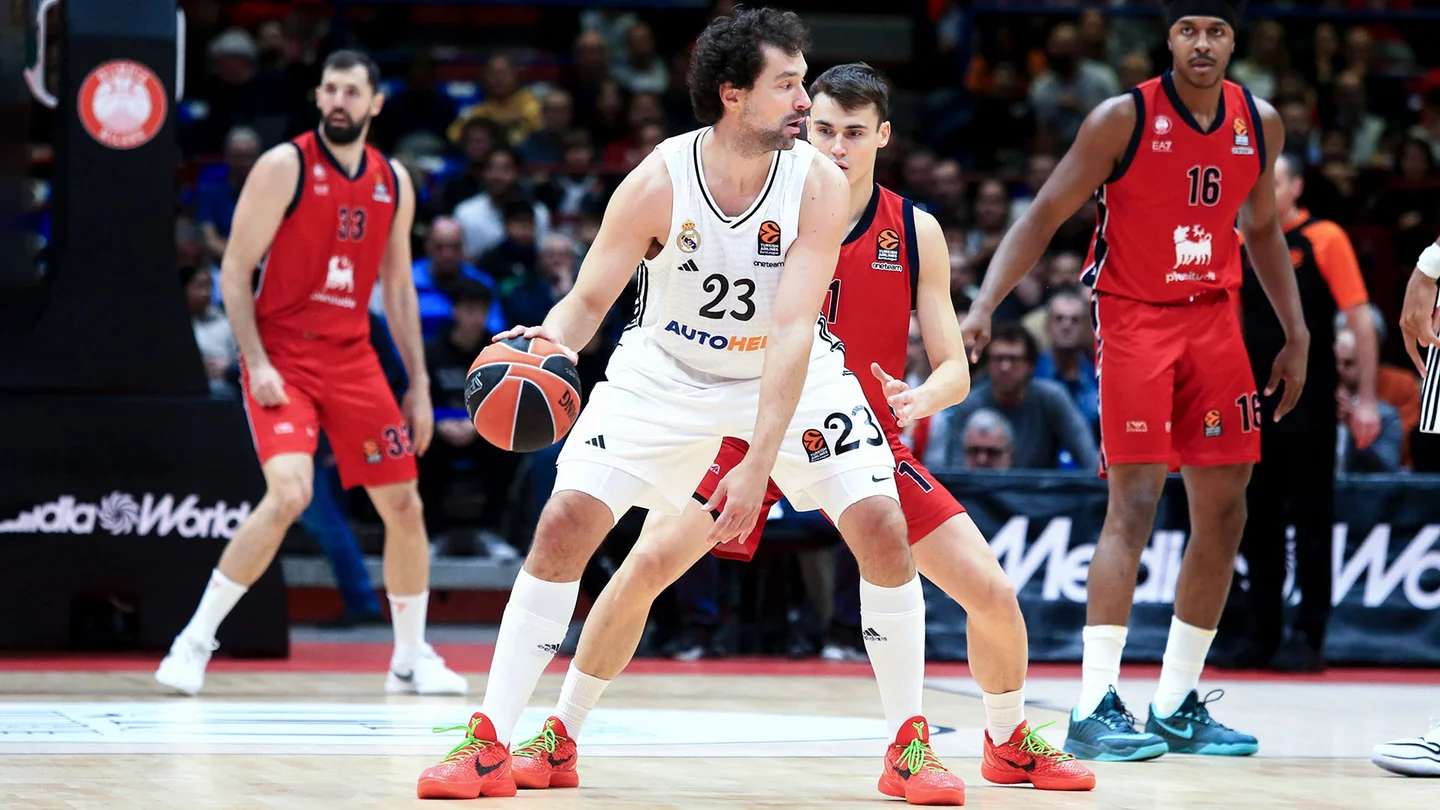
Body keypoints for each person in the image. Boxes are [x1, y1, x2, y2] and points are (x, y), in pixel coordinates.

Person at [501, 62, 1096, 797]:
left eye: (854, 133)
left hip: (846, 430)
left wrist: (919, 397)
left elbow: (955, 370)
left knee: (993, 594)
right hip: (745, 425)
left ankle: (1006, 739)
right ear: (803, 127)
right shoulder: (767, 196)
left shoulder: (915, 231)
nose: (837, 148)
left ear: (883, 136)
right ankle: (560, 732)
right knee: (643, 570)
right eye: (824, 130)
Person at [416, 12, 961, 804]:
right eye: (787, 84)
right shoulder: (659, 180)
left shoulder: (815, 182)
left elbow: (791, 331)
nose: (803, 100)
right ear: (734, 95)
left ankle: (909, 747)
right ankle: (491, 742)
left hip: (790, 374)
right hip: (666, 372)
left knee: (880, 523)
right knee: (565, 522)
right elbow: (588, 300)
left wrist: (758, 465)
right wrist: (545, 342)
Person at [959, 0, 1308, 761]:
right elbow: (1043, 214)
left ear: (1235, 41)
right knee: (1136, 502)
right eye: (1189, 29)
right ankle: (1094, 705)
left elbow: (1261, 229)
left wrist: (1297, 330)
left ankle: (1177, 702)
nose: (1202, 43)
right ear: (1168, 37)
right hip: (1134, 319)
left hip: (1215, 319)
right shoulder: (1122, 118)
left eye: (1216, 30)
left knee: (1227, 510)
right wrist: (983, 304)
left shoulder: (1260, 123)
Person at [155, 50, 466, 697]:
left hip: (353, 357)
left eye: (351, 91)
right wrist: (256, 361)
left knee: (404, 504)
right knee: (291, 493)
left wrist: (417, 384)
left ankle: (410, 658)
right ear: (318, 97)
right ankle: (194, 642)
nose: (338, 101)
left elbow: (398, 289)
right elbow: (234, 270)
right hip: (285, 355)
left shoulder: (393, 180)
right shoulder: (283, 166)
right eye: (329, 90)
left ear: (375, 102)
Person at [1219, 151, 1379, 673]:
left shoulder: (1324, 238)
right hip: (1253, 403)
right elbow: (1230, 325)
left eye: (1273, 182)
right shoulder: (1237, 241)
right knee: (1257, 519)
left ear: (1296, 188)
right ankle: (1262, 634)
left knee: (1312, 519)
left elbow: (1360, 320)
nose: (1260, 193)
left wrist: (1367, 400)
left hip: (1312, 402)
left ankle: (1310, 636)